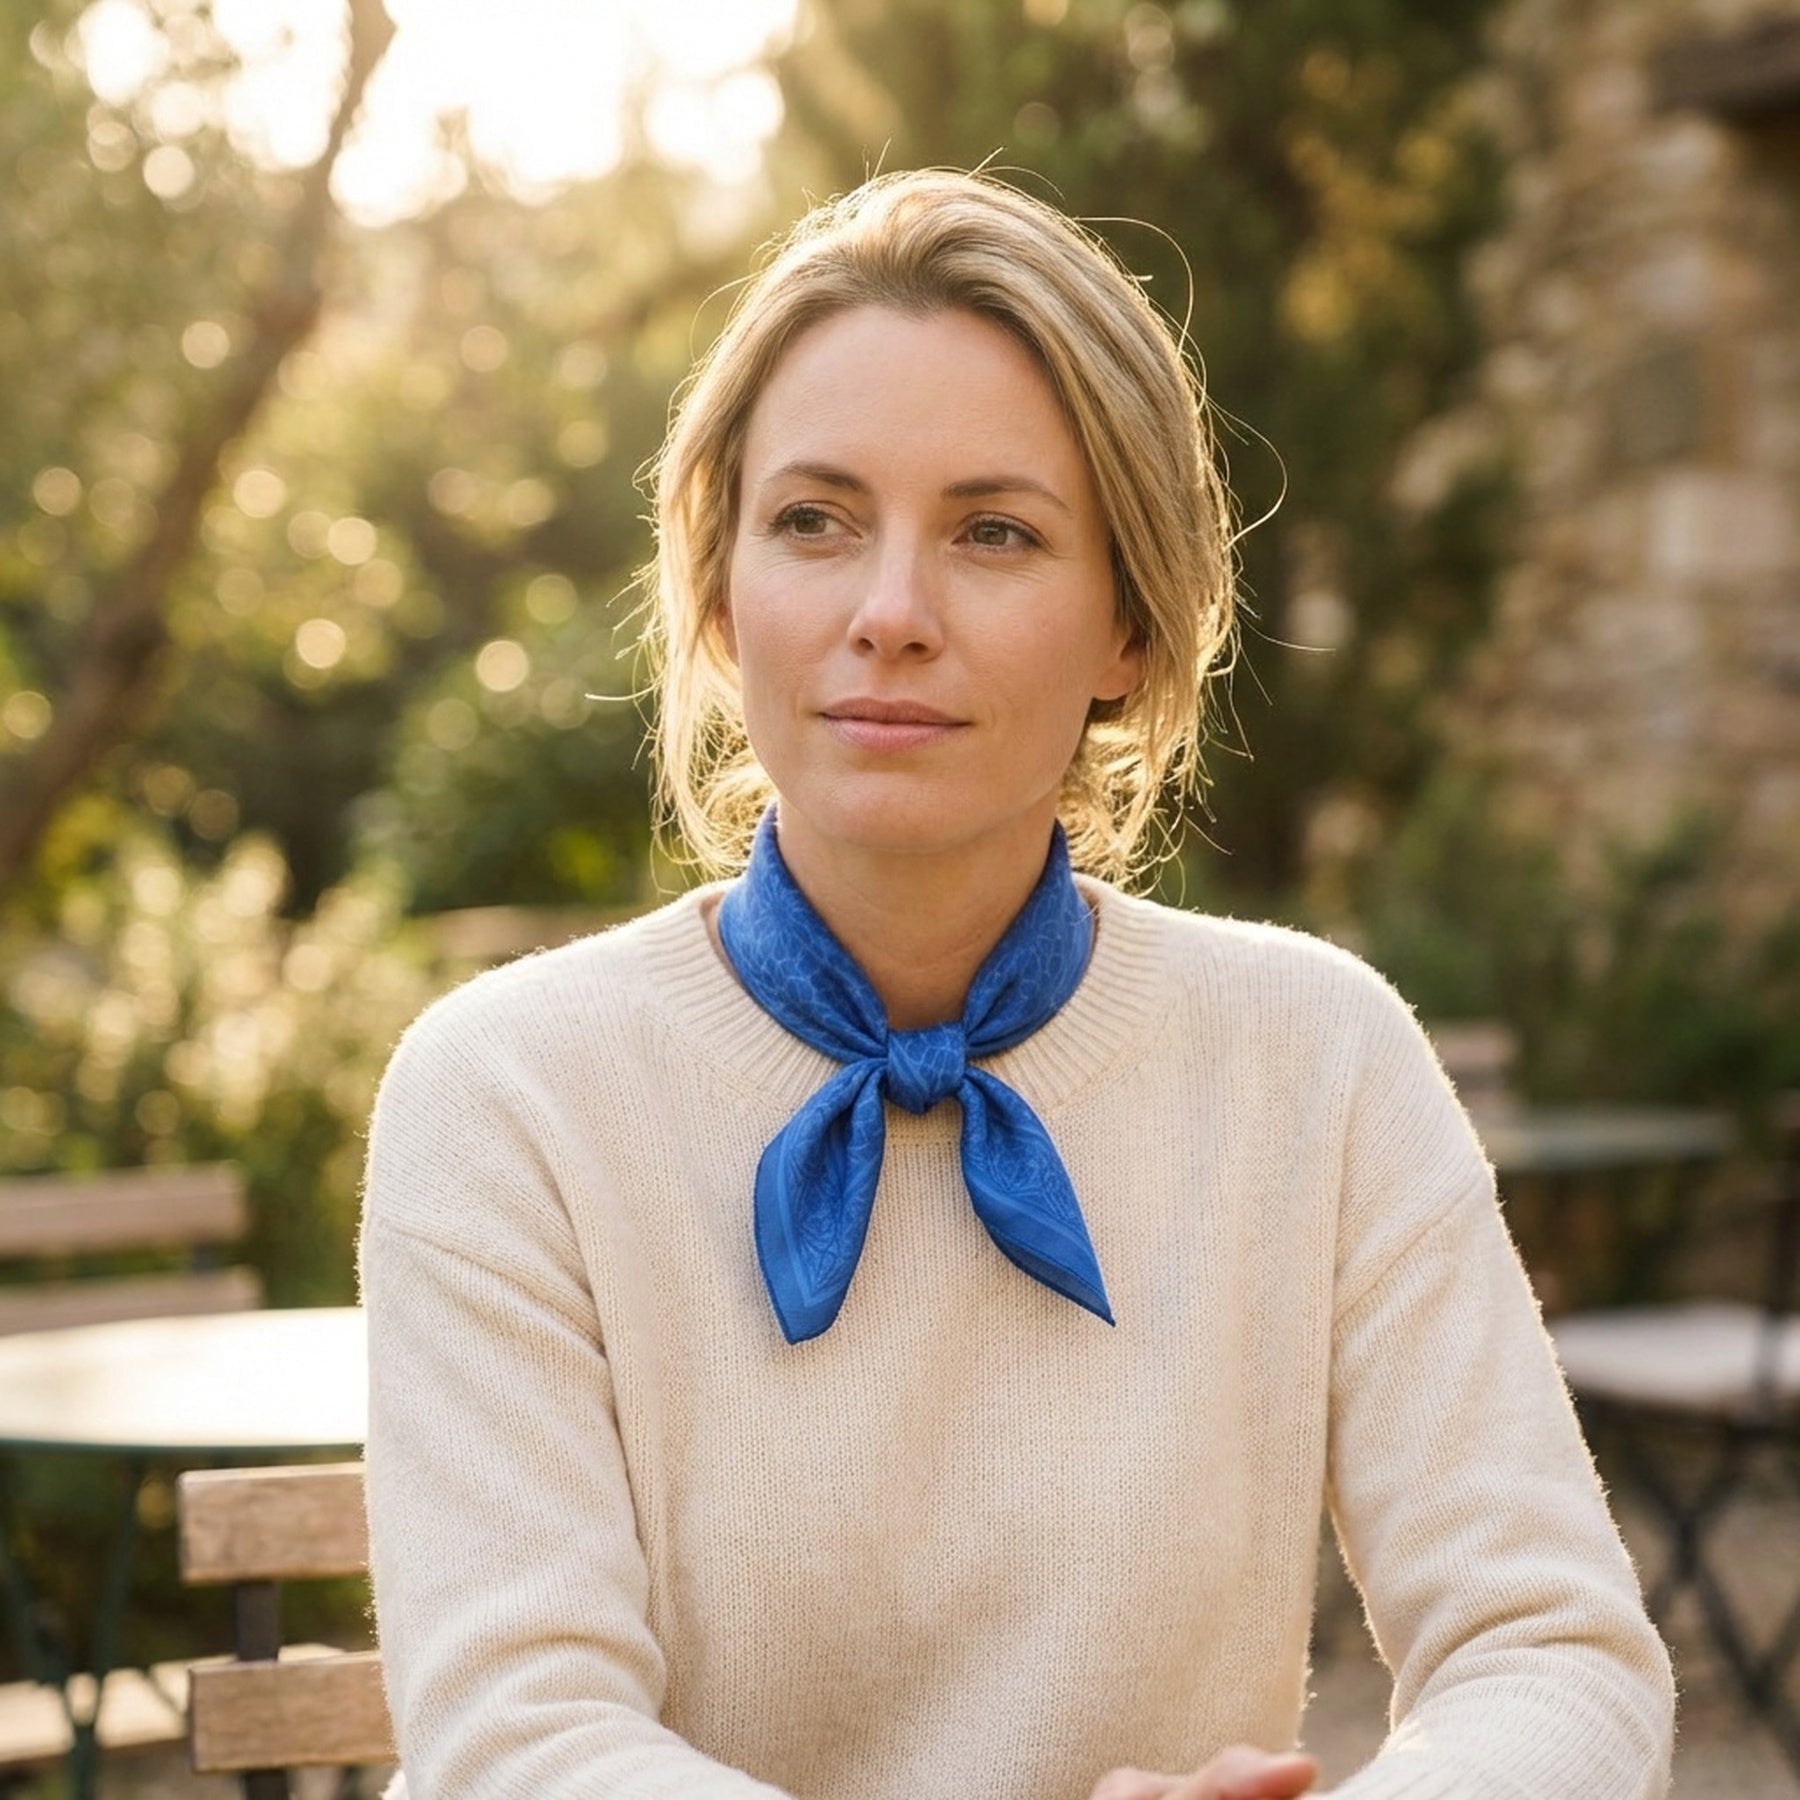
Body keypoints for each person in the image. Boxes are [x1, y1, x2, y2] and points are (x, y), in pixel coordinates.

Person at [359, 169, 1674, 1799]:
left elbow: (1552, 1652)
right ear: (718, 591)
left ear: (1129, 621)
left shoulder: (1318, 1060)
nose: (891, 615)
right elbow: (515, 1743)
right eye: (814, 522)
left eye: (995, 532)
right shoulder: (507, 1094)